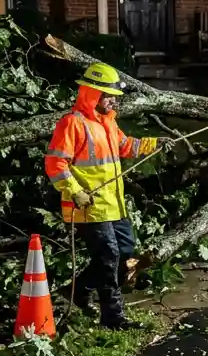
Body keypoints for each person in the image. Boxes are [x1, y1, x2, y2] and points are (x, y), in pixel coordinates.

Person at [45, 63, 161, 329]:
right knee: (108, 257)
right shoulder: (72, 123)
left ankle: (77, 290)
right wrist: (75, 192)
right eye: (109, 96)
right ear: (92, 94)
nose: (114, 101)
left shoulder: (108, 122)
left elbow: (125, 146)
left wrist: (155, 143)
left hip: (113, 205)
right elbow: (55, 164)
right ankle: (112, 316)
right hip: (88, 207)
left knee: (125, 251)